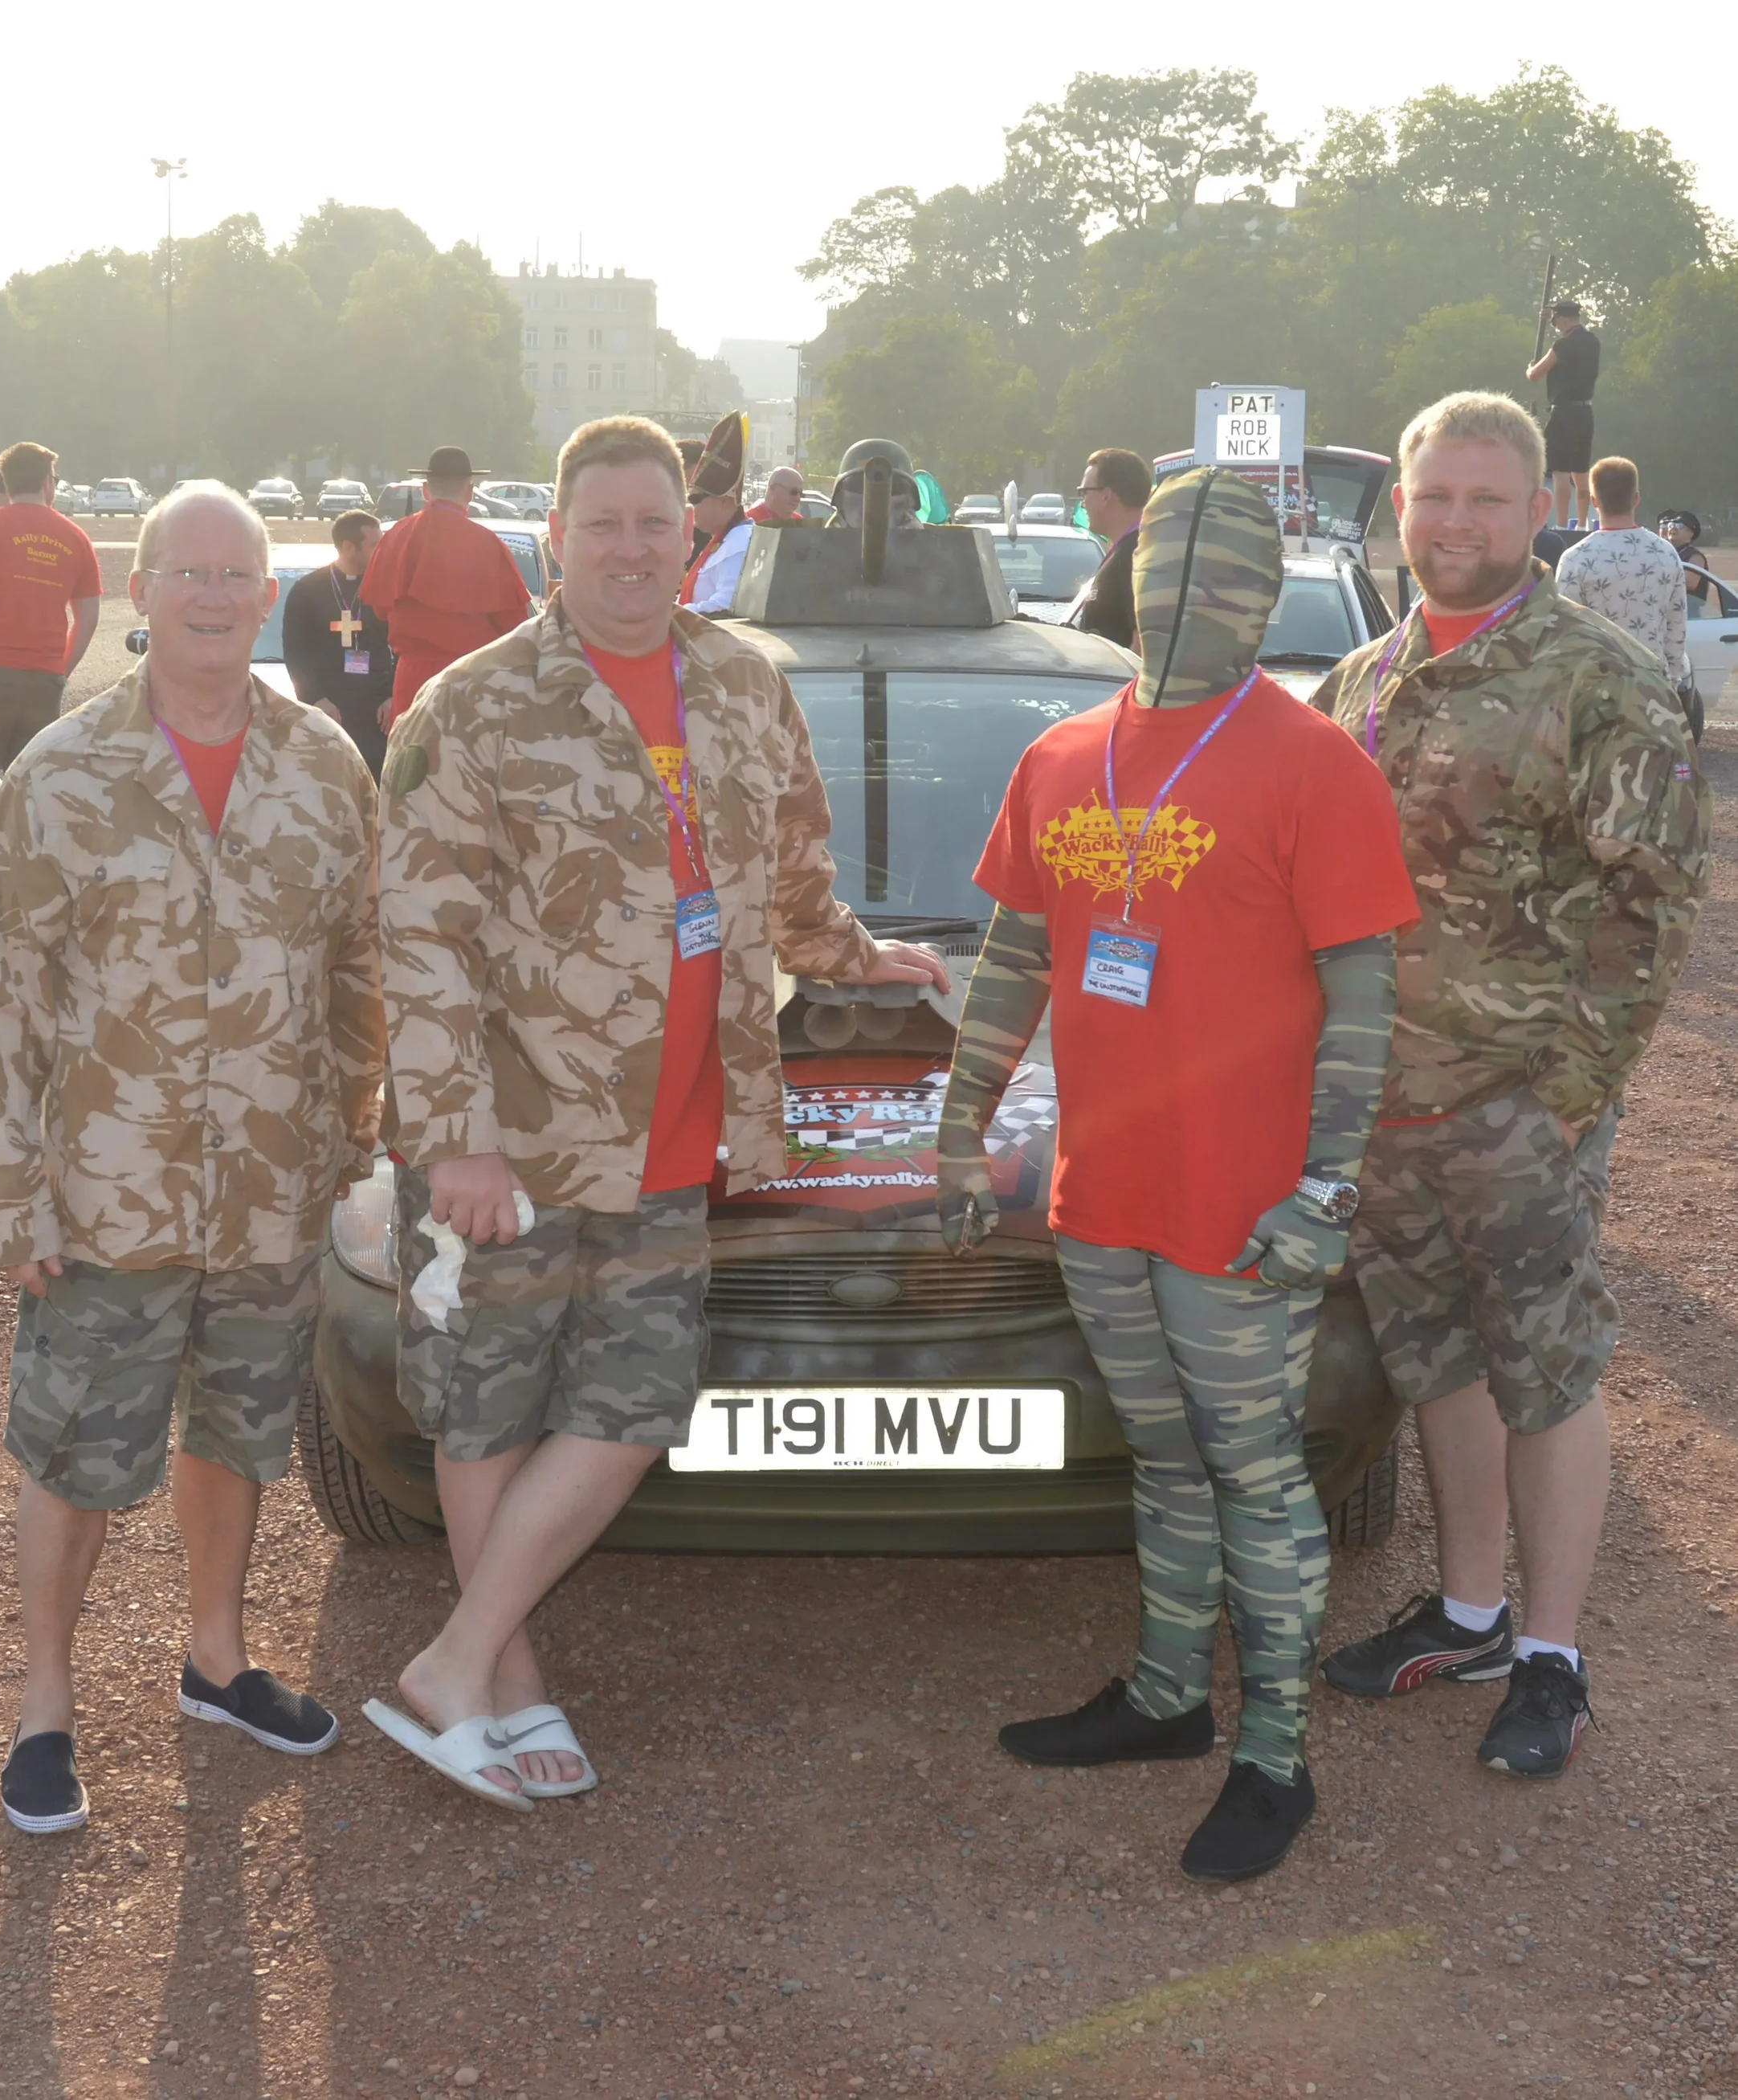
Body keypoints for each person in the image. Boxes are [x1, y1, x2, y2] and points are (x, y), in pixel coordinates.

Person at [370, 414, 950, 1810]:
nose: (633, 549)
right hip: (513, 1135)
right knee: (488, 1411)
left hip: (681, 1132)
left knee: (633, 1402)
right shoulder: (471, 705)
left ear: (692, 533)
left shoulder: (745, 686)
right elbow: (418, 935)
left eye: (656, 524)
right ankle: (501, 1684)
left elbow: (795, 876)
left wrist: (859, 955)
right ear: (555, 538)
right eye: (603, 525)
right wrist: (454, 1134)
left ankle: (455, 1661)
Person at [936, 469, 1418, 1884]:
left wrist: (1328, 1185)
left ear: (1267, 600)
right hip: (1103, 1189)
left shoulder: (1318, 764)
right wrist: (965, 1123)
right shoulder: (1062, 752)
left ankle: (1276, 1755)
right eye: (1175, 572)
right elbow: (1018, 951)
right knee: (1163, 1456)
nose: (1198, 601)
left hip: (1244, 1205)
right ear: (1134, 581)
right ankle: (1163, 1696)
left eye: (1232, 581)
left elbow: (1364, 995)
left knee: (1260, 1472)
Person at [0, 480, 384, 1836]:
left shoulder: (324, 764)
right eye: (186, 572)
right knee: (76, 1449)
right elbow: (4, 994)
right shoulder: (62, 773)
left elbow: (360, 967)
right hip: (106, 1191)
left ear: (271, 598)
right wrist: (7, 1193)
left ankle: (217, 1656)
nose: (212, 594)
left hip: (270, 1182)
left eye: (237, 574)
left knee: (242, 1430)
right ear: (139, 596)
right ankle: (44, 1704)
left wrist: (350, 1122)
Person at [1311, 391, 1708, 1777]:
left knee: (1544, 1373)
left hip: (1521, 1103)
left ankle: (1551, 1654)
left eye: (1488, 498)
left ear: (1539, 509)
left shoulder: (1598, 676)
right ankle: (1470, 1610)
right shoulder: (1361, 679)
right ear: (1403, 506)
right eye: (1436, 497)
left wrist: (1573, 1093)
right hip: (1386, 1098)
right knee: (1440, 1364)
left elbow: (1652, 900)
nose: (1458, 522)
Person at [0, 441, 104, 770]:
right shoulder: (76, 537)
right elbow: (88, 618)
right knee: (30, 787)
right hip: (42, 681)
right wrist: (60, 669)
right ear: (47, 483)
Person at [358, 443, 530, 727]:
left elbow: (379, 610)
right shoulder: (487, 544)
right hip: (473, 681)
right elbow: (513, 625)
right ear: (470, 492)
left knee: (412, 766)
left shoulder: (395, 537)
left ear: (426, 490)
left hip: (411, 681)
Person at [1554, 456, 1691, 703]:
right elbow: (1676, 626)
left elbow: (1564, 634)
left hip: (1594, 695)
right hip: (1653, 690)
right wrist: (1672, 680)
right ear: (1636, 498)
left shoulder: (1576, 558)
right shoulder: (1665, 554)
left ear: (1594, 501)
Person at [280, 507, 396, 774]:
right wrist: (316, 698)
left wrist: (393, 696)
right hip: (328, 712)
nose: (381, 552)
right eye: (374, 545)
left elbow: (404, 646)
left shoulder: (387, 586)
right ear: (348, 547)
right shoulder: (307, 590)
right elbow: (295, 653)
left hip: (376, 714)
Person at [1524, 298, 1601, 531]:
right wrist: (1549, 318)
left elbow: (1535, 374)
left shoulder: (1562, 345)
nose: (1556, 324)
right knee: (1581, 471)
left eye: (1557, 320)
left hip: (1564, 411)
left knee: (1560, 471)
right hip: (1585, 411)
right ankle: (1581, 523)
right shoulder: (1593, 342)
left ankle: (1560, 523)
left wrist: (1530, 367)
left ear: (1565, 318)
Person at [1070, 449, 1155, 649]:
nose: (1083, 503)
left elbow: (1141, 645)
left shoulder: (1137, 554)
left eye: (1084, 492)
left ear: (1107, 496)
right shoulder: (1130, 548)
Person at [675, 410, 752, 612]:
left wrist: (672, 614)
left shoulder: (739, 543)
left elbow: (725, 606)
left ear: (726, 501)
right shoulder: (723, 540)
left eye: (695, 499)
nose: (690, 506)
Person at [1657, 509, 1712, 611]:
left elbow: (1689, 583)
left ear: (1691, 533)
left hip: (1688, 613)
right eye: (1671, 525)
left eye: (1680, 526)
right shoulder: (1665, 553)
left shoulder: (1695, 556)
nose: (1673, 528)